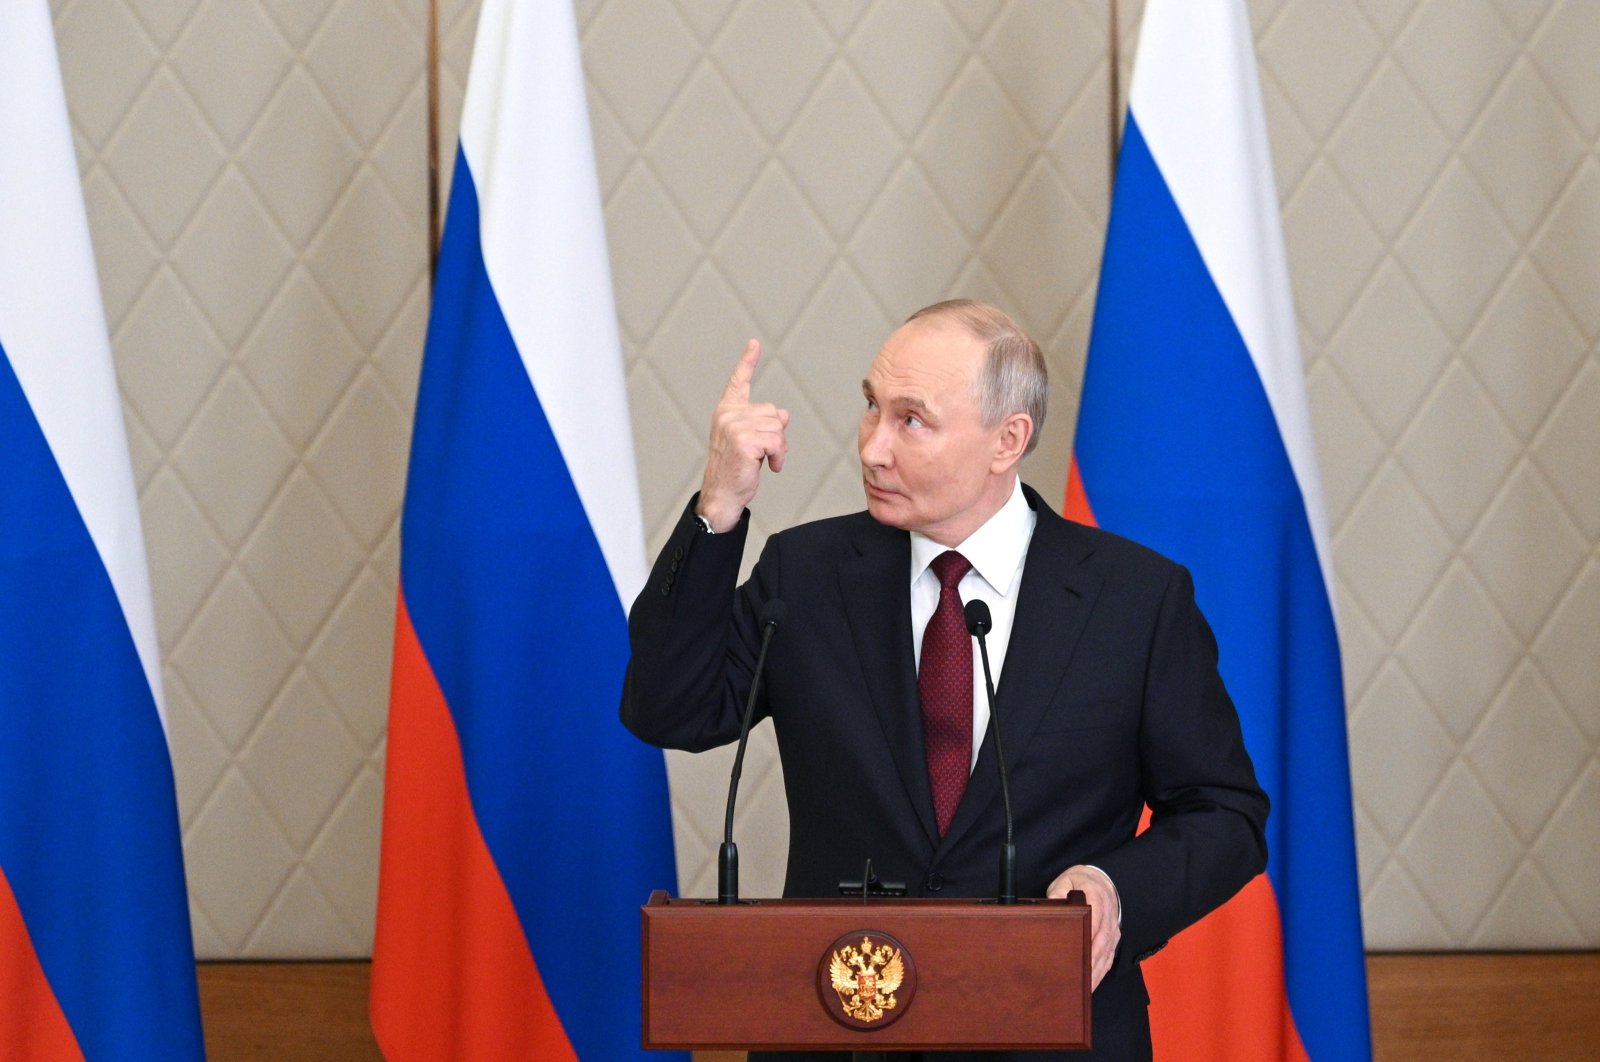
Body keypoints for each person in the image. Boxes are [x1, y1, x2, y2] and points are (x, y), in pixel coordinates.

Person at [622, 300, 1268, 1060]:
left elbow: (1224, 813)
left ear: (1008, 440)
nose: (873, 447)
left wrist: (1115, 890)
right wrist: (718, 508)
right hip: (837, 1028)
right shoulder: (807, 575)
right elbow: (671, 709)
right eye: (871, 407)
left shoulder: (1135, 600)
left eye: (911, 420)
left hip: (1054, 1032)